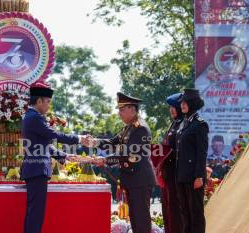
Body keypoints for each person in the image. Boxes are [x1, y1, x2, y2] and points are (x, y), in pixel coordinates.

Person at [86, 92, 157, 233]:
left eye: (122, 110)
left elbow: (128, 154)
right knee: (135, 219)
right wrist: (95, 142)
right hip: (132, 179)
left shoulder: (140, 128)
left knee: (141, 220)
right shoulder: (128, 127)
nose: (119, 113)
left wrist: (105, 160)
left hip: (140, 180)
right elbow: (113, 142)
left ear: (132, 109)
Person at [21, 82, 84, 233]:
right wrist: (79, 138)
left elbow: (44, 145)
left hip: (34, 170)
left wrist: (65, 155)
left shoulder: (31, 117)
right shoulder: (34, 117)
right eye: (47, 101)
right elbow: (54, 135)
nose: (49, 105)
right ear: (39, 101)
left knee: (34, 213)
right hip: (37, 170)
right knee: (35, 214)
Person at [175, 88, 209, 233]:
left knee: (196, 214)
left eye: (186, 102)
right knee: (185, 214)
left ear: (193, 103)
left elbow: (202, 153)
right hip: (181, 175)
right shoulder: (183, 124)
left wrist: (199, 176)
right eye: (181, 102)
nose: (182, 104)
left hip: (194, 177)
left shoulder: (200, 124)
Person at [160, 93, 183, 233]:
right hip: (167, 174)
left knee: (174, 211)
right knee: (167, 209)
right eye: (170, 107)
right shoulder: (174, 123)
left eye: (174, 107)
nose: (172, 110)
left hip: (176, 174)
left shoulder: (183, 124)